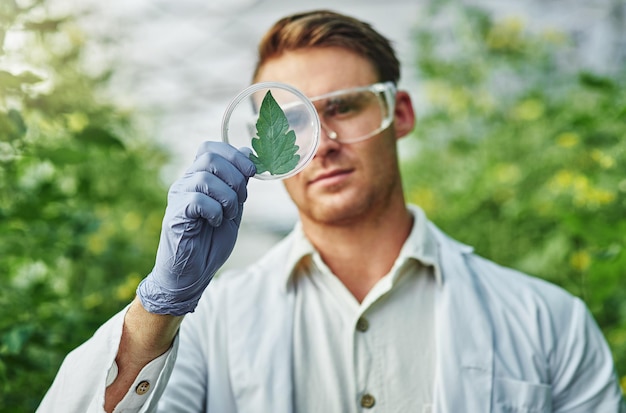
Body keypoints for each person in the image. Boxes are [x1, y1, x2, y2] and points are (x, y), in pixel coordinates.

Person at [38, 9, 624, 413]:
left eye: (343, 107)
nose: (321, 141)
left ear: (402, 114)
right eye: (288, 121)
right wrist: (158, 307)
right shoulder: (208, 327)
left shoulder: (548, 322)